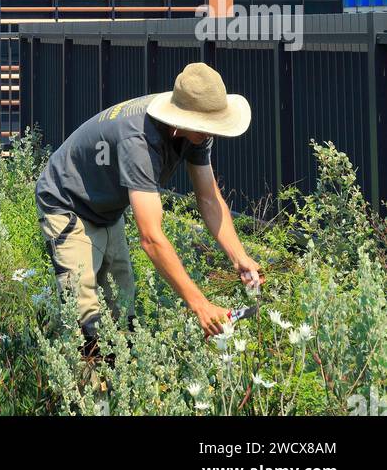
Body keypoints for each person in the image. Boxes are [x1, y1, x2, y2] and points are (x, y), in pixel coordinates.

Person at [35, 62, 262, 348]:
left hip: (106, 206)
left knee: (122, 303)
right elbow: (151, 238)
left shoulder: (196, 130)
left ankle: (116, 375)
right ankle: (76, 375)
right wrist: (201, 305)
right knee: (86, 316)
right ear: (182, 119)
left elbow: (208, 198)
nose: (212, 133)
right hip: (67, 202)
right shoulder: (139, 141)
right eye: (207, 126)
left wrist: (238, 256)